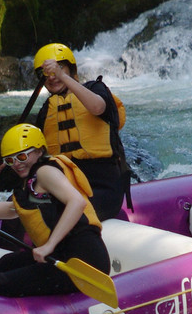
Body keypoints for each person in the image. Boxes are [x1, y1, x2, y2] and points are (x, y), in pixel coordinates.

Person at [0, 124, 110, 297]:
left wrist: (49, 245)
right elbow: (11, 209)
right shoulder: (30, 182)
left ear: (39, 151)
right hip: (60, 254)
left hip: (84, 261)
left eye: (22, 156)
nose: (16, 164)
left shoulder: (45, 172)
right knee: (6, 263)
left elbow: (76, 202)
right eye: (10, 160)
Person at [33, 43, 130, 220]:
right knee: (24, 206)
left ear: (70, 70)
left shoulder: (95, 88)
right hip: (67, 188)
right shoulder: (47, 110)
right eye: (45, 74)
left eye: (59, 69)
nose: (52, 77)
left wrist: (62, 76)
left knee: (63, 213)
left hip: (102, 187)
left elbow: (97, 107)